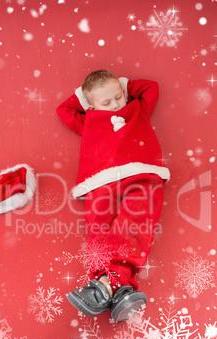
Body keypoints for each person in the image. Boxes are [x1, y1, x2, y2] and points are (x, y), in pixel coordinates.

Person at [56, 70, 170, 322]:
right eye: (106, 103)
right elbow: (64, 109)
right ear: (92, 106)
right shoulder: (89, 120)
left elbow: (151, 86)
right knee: (98, 227)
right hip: (100, 179)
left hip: (141, 172)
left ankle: (102, 287)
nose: (115, 104)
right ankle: (119, 290)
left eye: (117, 97)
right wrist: (88, 99)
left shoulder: (136, 109)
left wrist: (122, 86)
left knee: (136, 221)